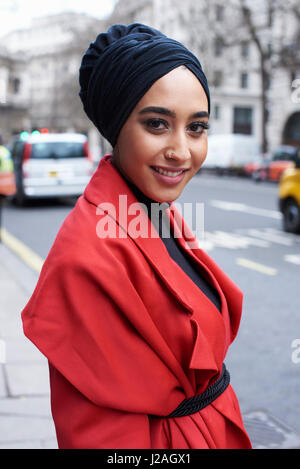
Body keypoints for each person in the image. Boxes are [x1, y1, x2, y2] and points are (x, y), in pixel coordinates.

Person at [21, 23, 252, 449]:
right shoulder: (84, 260)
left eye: (197, 127)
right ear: (116, 127)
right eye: (157, 124)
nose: (182, 151)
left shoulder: (155, 211)